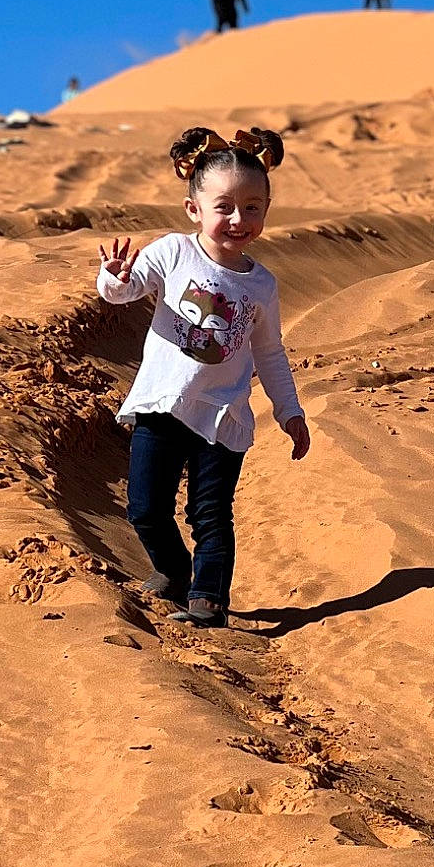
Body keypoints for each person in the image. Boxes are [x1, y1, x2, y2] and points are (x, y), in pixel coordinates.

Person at [97, 127, 310, 627]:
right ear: (194, 208)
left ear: (267, 208)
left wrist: (290, 411)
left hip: (223, 415)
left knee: (210, 515)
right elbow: (122, 293)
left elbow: (270, 353)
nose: (239, 219)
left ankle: (209, 601)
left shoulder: (261, 284)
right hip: (163, 404)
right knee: (146, 510)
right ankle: (174, 574)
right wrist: (115, 276)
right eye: (224, 206)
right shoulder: (172, 252)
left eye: (253, 207)